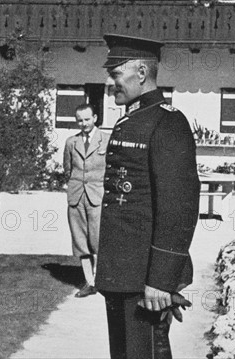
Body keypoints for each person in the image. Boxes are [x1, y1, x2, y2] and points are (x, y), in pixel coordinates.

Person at [95, 34, 200, 358]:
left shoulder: (167, 123)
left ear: (141, 73)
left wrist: (160, 279)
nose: (111, 84)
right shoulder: (132, 120)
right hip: (123, 274)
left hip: (145, 280)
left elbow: (178, 206)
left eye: (116, 75)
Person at [63, 103, 110, 298]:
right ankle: (88, 282)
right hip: (76, 196)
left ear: (95, 118)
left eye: (87, 119)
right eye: (80, 121)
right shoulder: (71, 142)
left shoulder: (106, 140)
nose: (83, 124)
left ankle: (100, 280)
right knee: (80, 240)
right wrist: (74, 186)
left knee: (97, 239)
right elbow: (67, 168)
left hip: (97, 196)